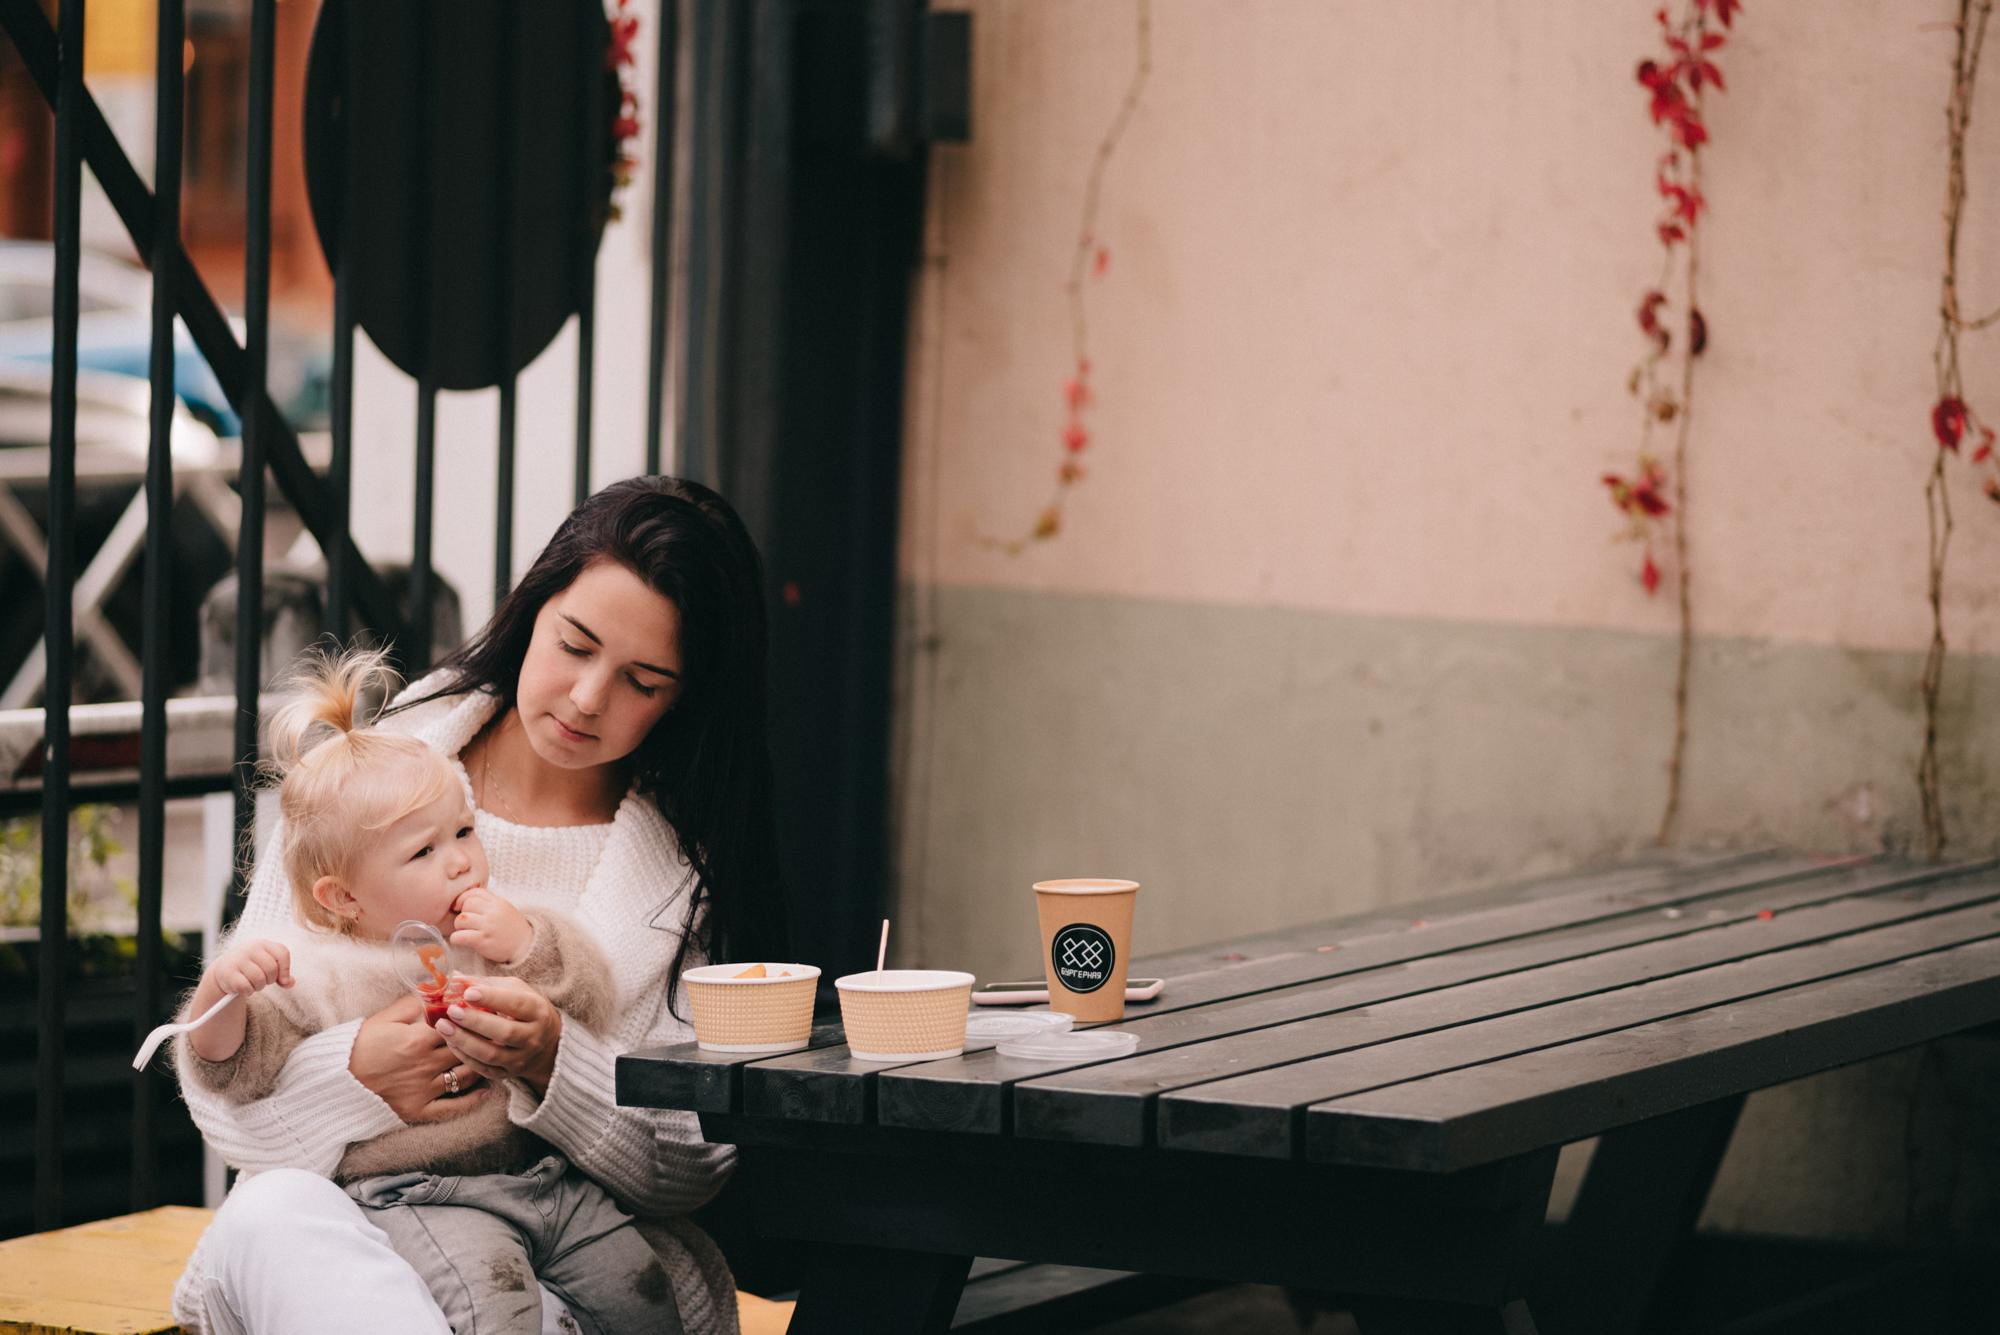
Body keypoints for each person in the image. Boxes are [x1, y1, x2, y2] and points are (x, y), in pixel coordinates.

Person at [172, 477, 788, 1335]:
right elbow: (228, 1106)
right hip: (352, 1252)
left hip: (560, 1274)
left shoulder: (680, 866)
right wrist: (356, 1073)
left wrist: (555, 1061)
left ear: (685, 696)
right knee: (269, 1217)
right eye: (574, 644)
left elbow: (692, 1161)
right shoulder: (370, 775)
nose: (587, 697)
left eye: (642, 681)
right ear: (532, 611)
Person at [176, 645, 676, 1335]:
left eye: (464, 831)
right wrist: (221, 998)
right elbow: (235, 1071)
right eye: (423, 851)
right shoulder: (320, 967)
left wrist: (528, 944)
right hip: (419, 1194)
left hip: (540, 1176)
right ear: (342, 896)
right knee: (494, 1308)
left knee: (642, 1294)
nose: (462, 860)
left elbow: (590, 995)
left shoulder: (489, 930)